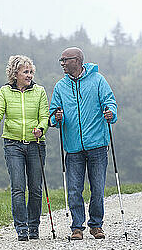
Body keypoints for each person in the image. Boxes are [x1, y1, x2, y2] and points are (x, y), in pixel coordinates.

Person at [49, 47, 117, 240]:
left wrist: (110, 113)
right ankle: (76, 227)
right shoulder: (61, 86)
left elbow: (110, 102)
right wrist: (57, 117)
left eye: (65, 60)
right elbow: (52, 114)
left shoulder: (98, 80)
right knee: (73, 189)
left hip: (97, 144)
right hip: (73, 147)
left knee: (97, 187)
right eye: (61, 60)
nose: (62, 63)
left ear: (77, 60)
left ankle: (96, 225)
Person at [0, 55, 49, 241]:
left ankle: (34, 227)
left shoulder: (39, 92)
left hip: (36, 144)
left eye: (31, 72)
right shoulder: (5, 91)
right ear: (15, 74)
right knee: (18, 188)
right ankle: (21, 229)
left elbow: (44, 116)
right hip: (13, 144)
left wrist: (41, 128)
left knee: (36, 189)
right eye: (26, 72)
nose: (29, 75)